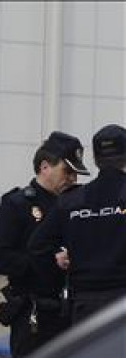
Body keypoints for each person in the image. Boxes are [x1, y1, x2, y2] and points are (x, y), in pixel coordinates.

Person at [0, 131, 88, 358]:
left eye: (75, 174)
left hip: (70, 310)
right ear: (45, 167)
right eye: (67, 171)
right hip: (34, 311)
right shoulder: (18, 205)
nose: (72, 179)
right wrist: (49, 260)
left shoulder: (76, 205)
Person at [30, 124, 126, 324]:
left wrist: (61, 262)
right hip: (121, 304)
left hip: (84, 307)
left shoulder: (72, 200)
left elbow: (37, 246)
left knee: (89, 356)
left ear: (95, 160)